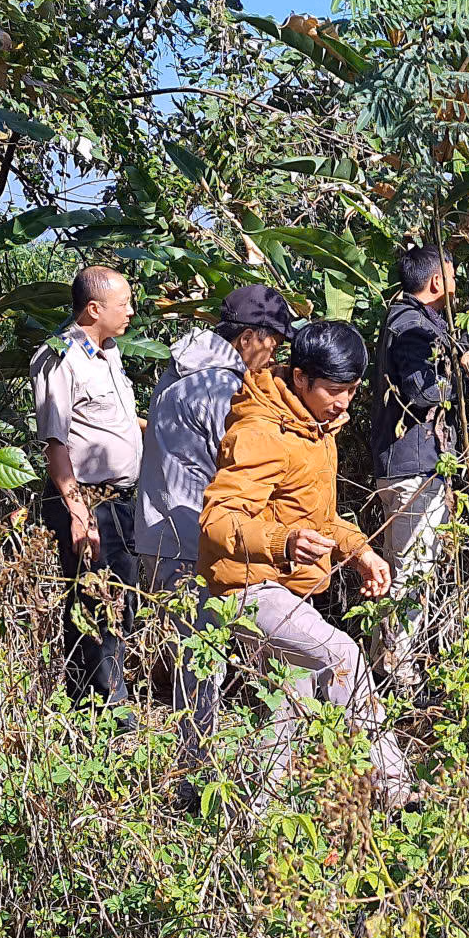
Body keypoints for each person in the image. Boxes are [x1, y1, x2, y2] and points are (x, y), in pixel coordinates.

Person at [188, 320, 414, 811]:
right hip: (247, 587)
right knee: (343, 657)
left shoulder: (315, 429)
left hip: (285, 587)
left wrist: (360, 551)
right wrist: (282, 541)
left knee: (286, 710)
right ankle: (397, 792)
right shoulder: (262, 431)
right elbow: (217, 520)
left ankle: (256, 822)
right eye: (334, 390)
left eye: (352, 390)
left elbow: (319, 518)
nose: (344, 403)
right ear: (299, 378)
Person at [30, 265, 143, 732]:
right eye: (124, 304)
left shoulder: (109, 352)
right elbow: (56, 444)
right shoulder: (59, 357)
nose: (132, 311)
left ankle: (100, 701)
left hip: (121, 500)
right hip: (89, 502)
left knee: (122, 600)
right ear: (94, 309)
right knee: (96, 603)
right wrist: (79, 513)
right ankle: (103, 712)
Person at [369, 244, 469, 692]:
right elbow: (423, 391)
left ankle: (388, 666)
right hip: (413, 468)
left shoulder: (410, 319)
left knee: (406, 567)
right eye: (452, 274)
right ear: (436, 281)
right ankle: (398, 676)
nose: (456, 282)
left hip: (409, 465)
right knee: (412, 572)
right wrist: (460, 375)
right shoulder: (412, 327)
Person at [135, 284, 297, 594]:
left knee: (173, 623)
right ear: (247, 338)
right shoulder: (222, 388)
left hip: (160, 531)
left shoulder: (181, 370)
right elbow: (244, 463)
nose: (273, 357)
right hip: (194, 538)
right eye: (273, 345)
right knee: (202, 624)